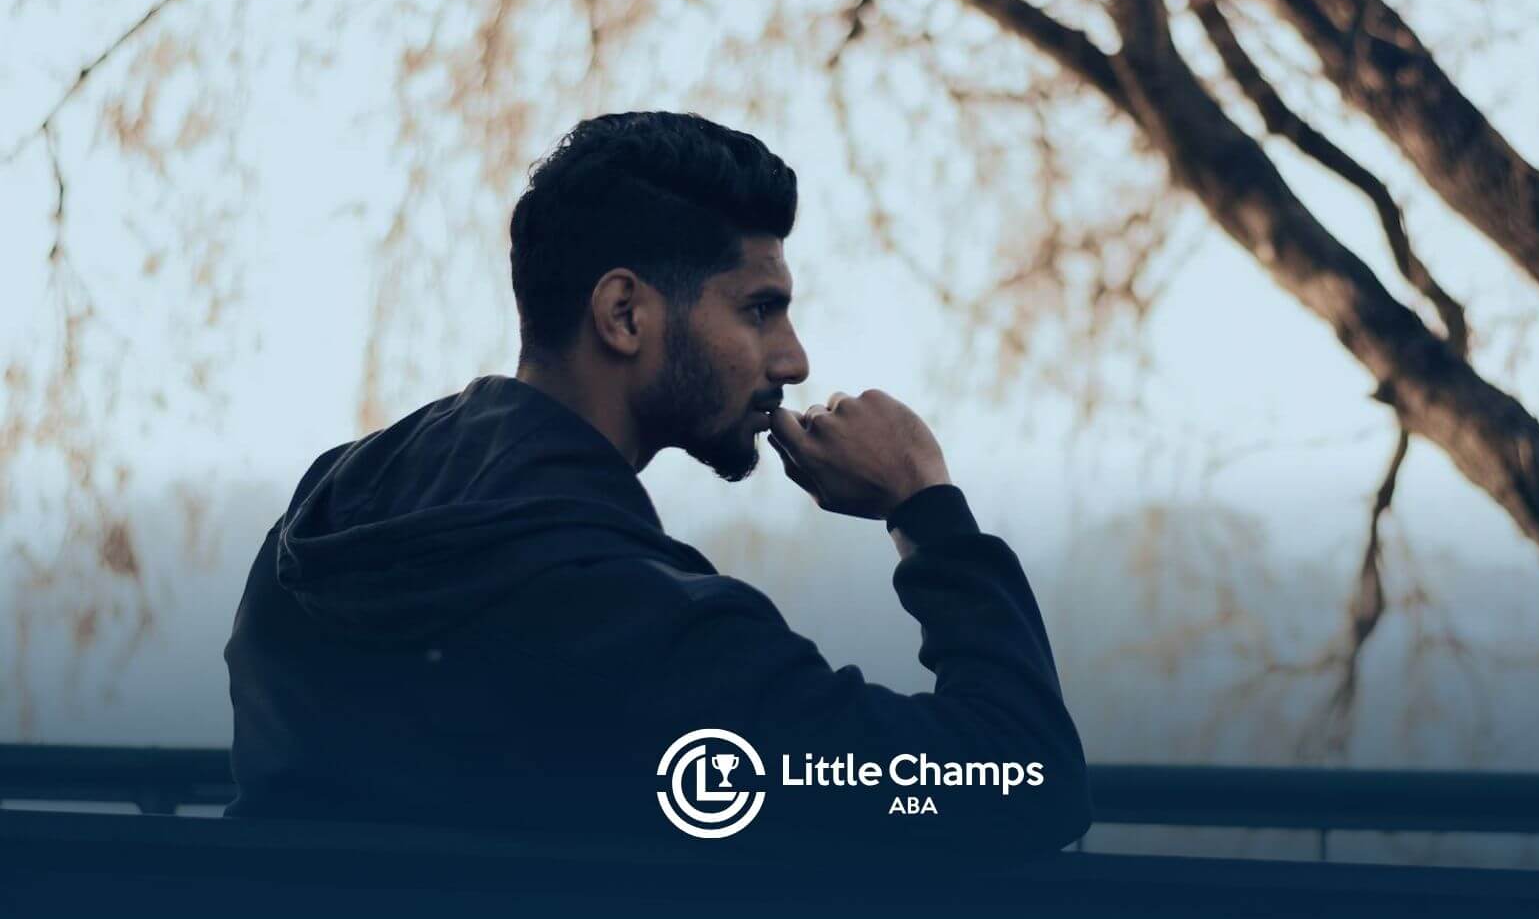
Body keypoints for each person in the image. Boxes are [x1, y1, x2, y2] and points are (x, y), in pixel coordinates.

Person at [224, 111, 1092, 862]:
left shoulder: (322, 518)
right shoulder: (642, 632)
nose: (792, 359)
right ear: (625, 315)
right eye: (760, 308)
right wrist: (924, 506)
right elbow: (1020, 781)